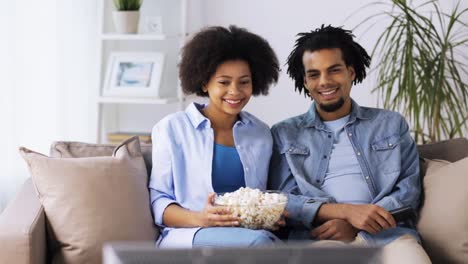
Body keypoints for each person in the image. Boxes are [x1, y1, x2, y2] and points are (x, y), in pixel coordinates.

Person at [268, 25, 431, 263]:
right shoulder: (285, 133)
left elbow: (408, 190)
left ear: (351, 72)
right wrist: (343, 214)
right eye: (314, 74)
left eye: (334, 70)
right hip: (319, 239)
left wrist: (358, 226)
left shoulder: (390, 124)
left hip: (388, 237)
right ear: (305, 81)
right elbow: (282, 199)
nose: (324, 82)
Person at [149, 25, 282, 248]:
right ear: (204, 82)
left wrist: (271, 214)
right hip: (190, 234)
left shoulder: (261, 134)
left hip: (249, 235)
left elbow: (263, 196)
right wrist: (200, 218)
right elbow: (159, 200)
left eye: (244, 82)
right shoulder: (172, 129)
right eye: (224, 82)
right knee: (262, 244)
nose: (235, 91)